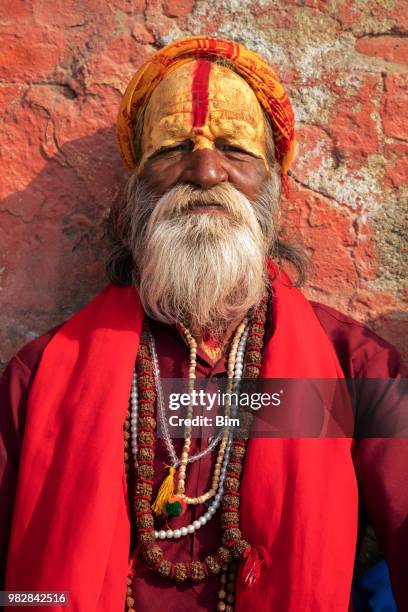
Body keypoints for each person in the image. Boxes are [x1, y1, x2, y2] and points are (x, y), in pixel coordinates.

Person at [0, 36, 406, 612]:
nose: (206, 170)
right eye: (172, 149)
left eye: (236, 149)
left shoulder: (357, 370)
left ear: (275, 187)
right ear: (135, 189)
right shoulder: (39, 379)